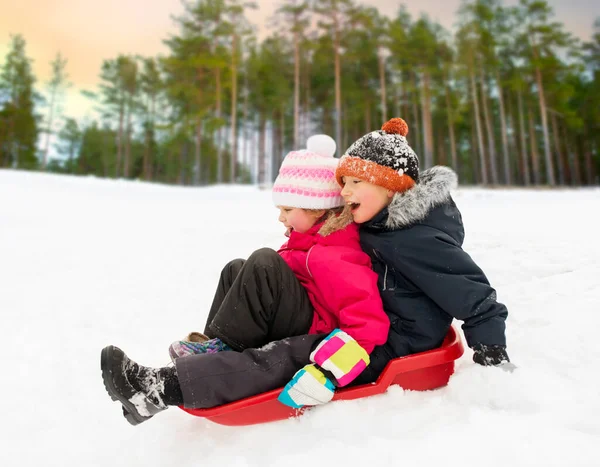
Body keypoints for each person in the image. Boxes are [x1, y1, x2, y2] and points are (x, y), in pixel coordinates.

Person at [101, 135, 389, 425]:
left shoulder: (337, 255)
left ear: (318, 209)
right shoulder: (305, 240)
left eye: (288, 210)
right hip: (296, 315)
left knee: (264, 262)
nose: (281, 218)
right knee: (236, 268)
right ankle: (213, 347)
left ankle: (220, 350)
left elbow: (368, 323)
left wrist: (331, 367)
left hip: (315, 330)